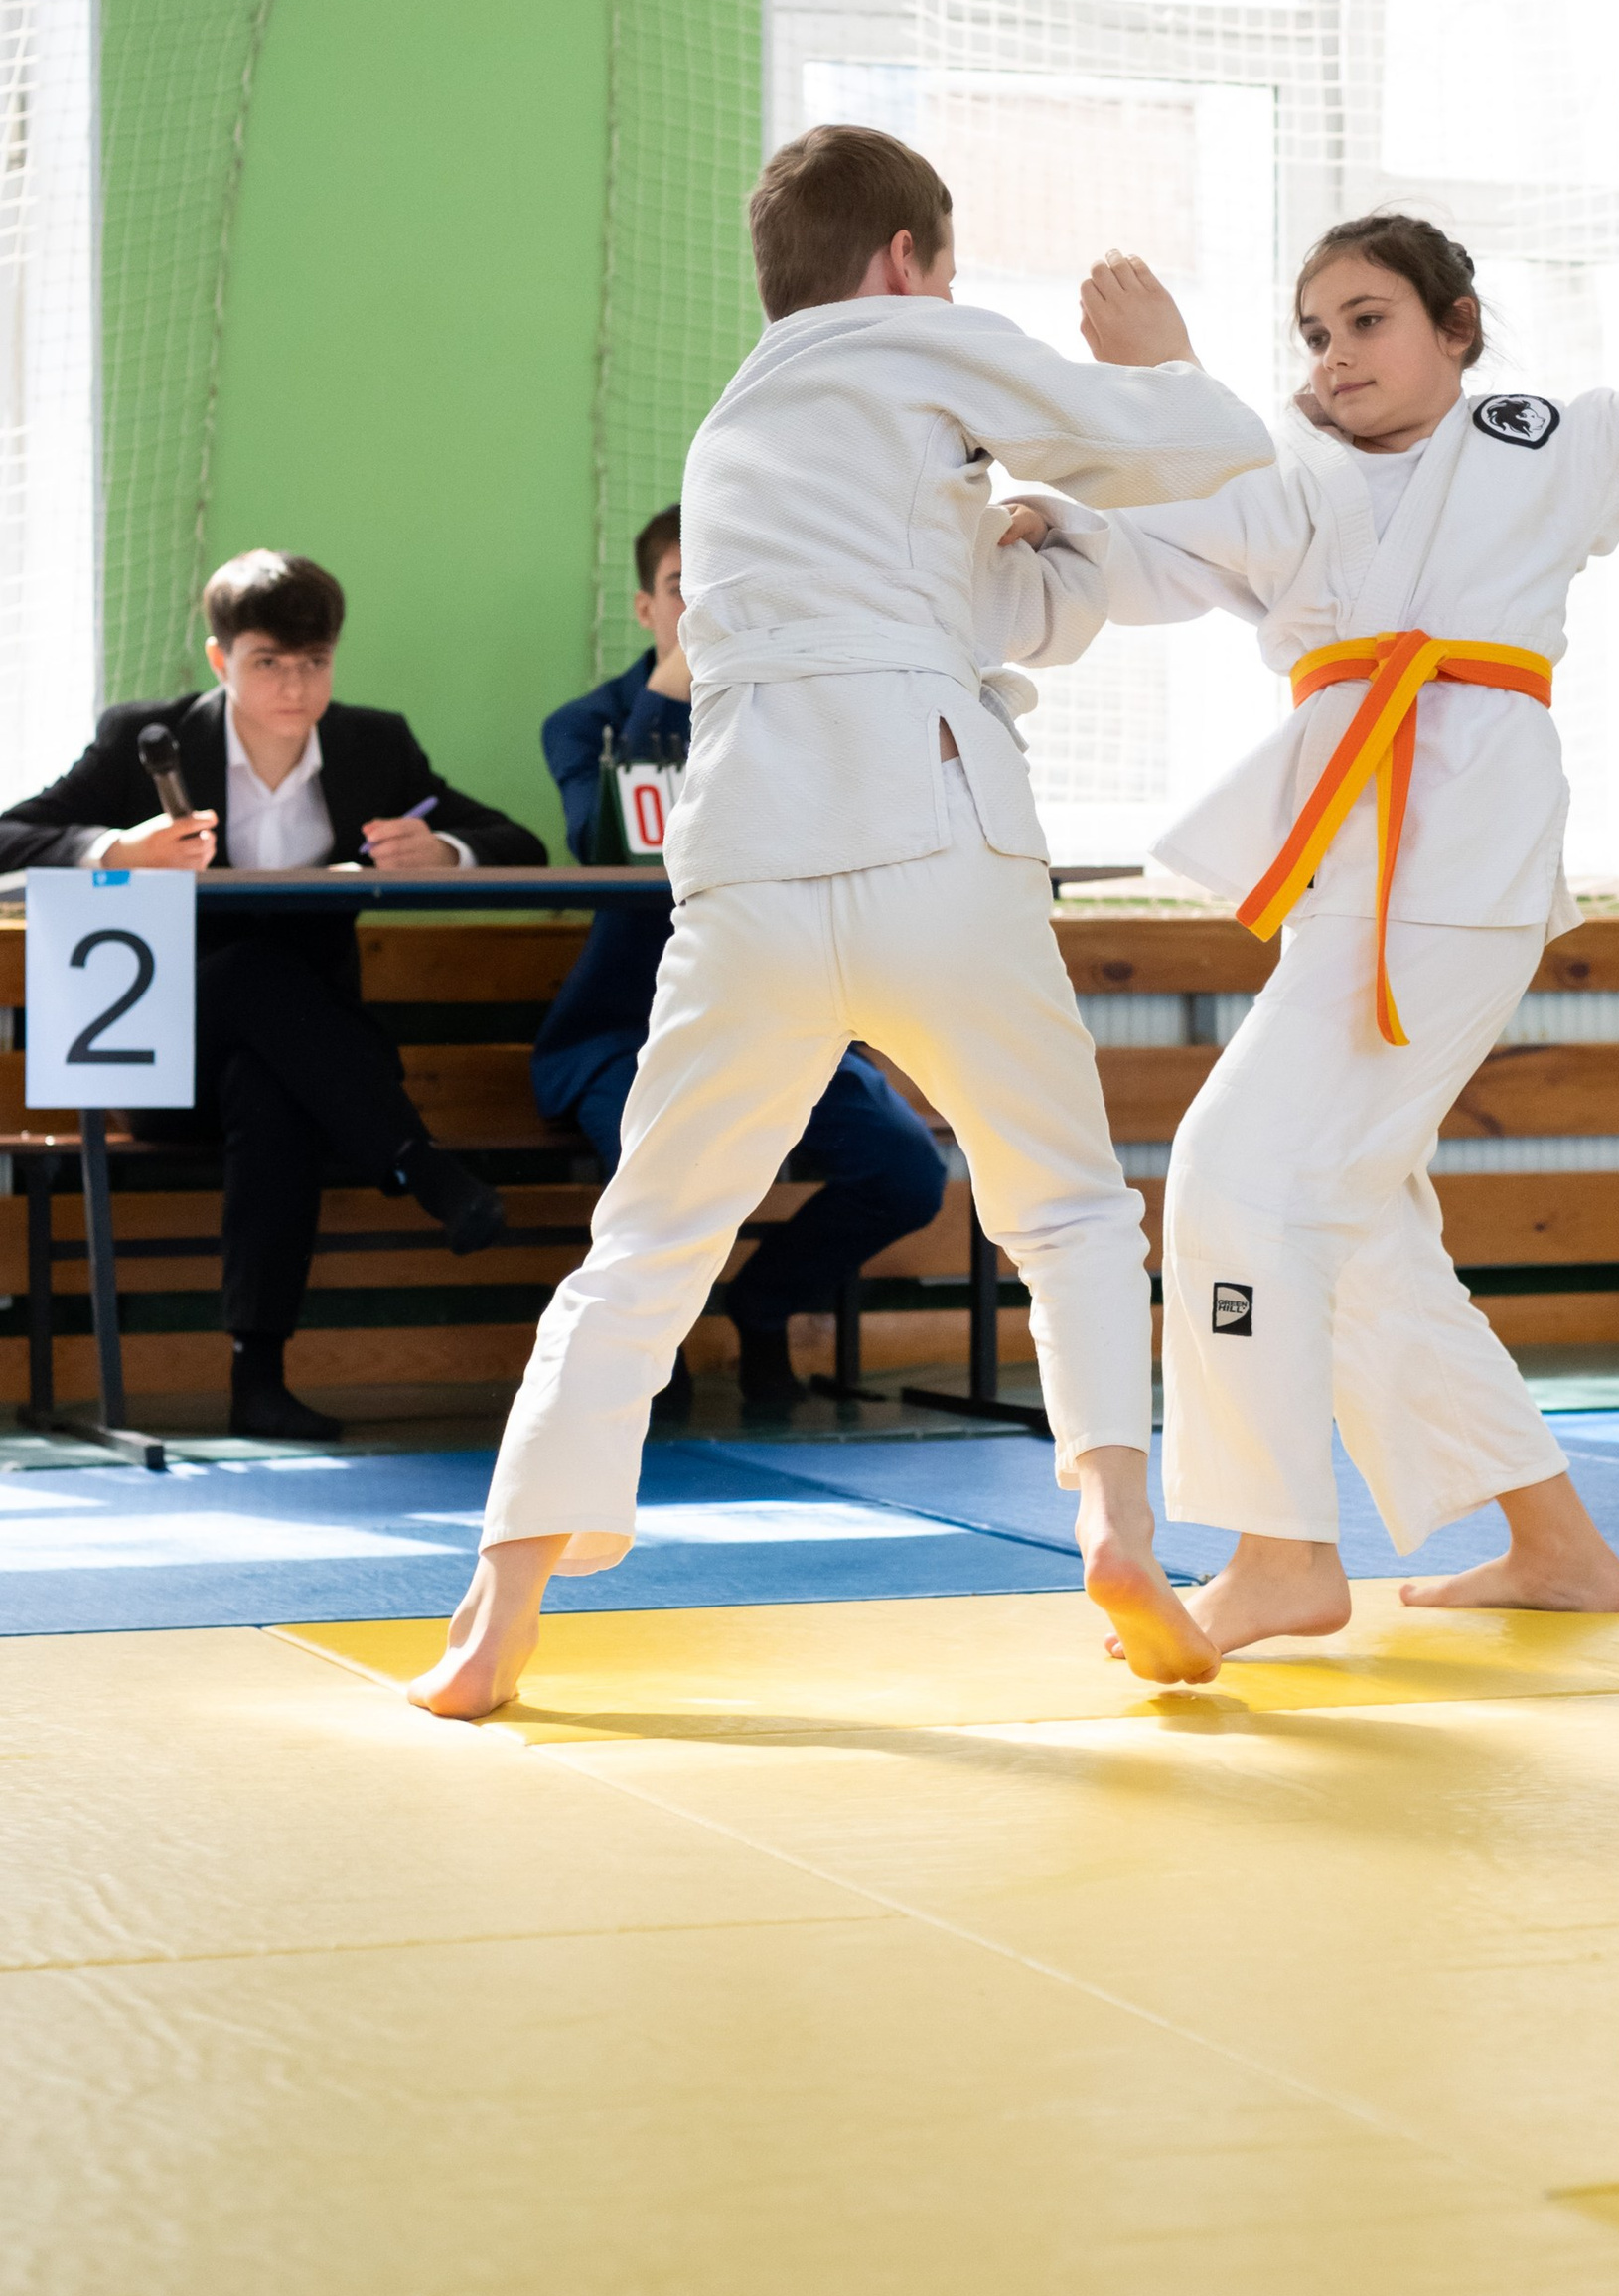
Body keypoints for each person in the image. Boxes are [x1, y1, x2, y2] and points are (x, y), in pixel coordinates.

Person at [408, 122, 1274, 1718]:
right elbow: (1198, 448)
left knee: (649, 1239)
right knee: (1070, 1213)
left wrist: (1033, 533)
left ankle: (497, 1604)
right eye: (943, 270)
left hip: (751, 866)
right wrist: (1163, 358)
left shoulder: (734, 434)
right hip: (932, 830)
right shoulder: (916, 339)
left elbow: (1010, 609)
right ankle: (1117, 1526)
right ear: (903, 260)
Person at [1026, 175, 1619, 1658]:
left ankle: (1278, 1553)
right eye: (1313, 331)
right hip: (1355, 866)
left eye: (1367, 319)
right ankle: (1558, 1547)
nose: (1334, 353)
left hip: (1463, 851)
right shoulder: (1287, 477)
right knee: (1355, 1224)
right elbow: (1148, 552)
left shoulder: (1548, 446)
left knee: (1237, 1169)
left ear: (1457, 328)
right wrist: (1084, 475)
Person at [0, 549, 547, 1436]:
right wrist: (117, 851)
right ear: (221, 659)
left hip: (315, 1073)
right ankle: (420, 1164)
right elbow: (9, 838)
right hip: (158, 1062)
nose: (294, 686)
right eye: (268, 662)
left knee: (270, 1083)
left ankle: (258, 1378)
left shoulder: (374, 747)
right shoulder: (144, 739)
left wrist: (446, 852)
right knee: (249, 970)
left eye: (313, 662)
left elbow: (518, 843)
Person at [535, 501, 949, 1418]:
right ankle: (655, 1350)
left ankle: (763, 1306)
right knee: (659, 1169)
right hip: (628, 1029)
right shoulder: (585, 725)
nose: (708, 605)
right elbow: (602, 848)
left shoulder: (796, 715)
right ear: (647, 607)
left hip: (779, 1013)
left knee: (905, 1173)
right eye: (685, 588)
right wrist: (668, 698)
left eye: (726, 584)